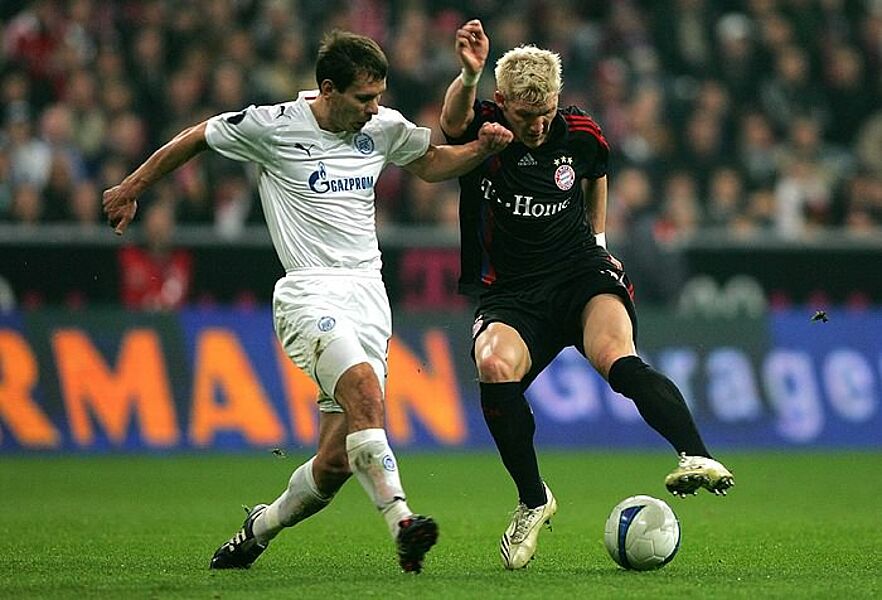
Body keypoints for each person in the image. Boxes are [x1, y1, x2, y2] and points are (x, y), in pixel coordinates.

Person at [103, 30, 512, 574]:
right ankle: (403, 521)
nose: (374, 109)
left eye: (379, 96)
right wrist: (131, 187)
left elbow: (431, 162)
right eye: (364, 98)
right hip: (309, 292)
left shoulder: (381, 128)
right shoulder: (274, 126)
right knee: (365, 391)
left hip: (369, 297)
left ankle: (259, 529)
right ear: (328, 89)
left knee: (336, 462)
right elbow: (199, 136)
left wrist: (480, 150)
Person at [439, 20, 734, 570]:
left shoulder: (580, 132)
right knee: (494, 365)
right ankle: (533, 500)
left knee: (617, 358)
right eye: (525, 115)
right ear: (502, 102)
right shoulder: (485, 126)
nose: (537, 125)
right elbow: (451, 121)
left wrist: (599, 243)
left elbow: (598, 172)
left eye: (546, 112)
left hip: (580, 273)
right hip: (512, 293)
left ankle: (696, 455)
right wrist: (469, 75)